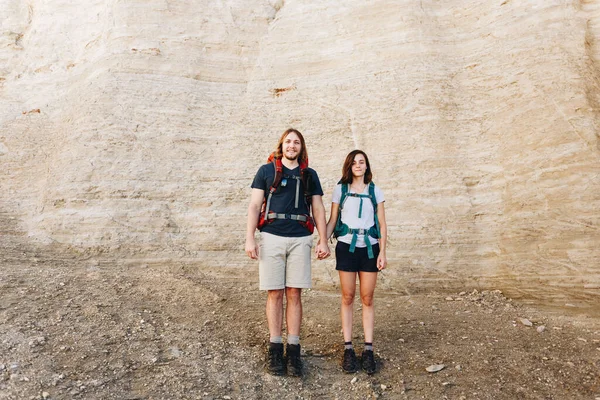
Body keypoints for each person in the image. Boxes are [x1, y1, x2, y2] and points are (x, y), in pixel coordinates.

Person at [245, 128, 330, 376]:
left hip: (301, 238)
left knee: (294, 293)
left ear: (301, 148)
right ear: (281, 146)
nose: (292, 146)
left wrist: (323, 240)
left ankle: (293, 350)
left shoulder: (310, 175)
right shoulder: (266, 171)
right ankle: (275, 348)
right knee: (275, 293)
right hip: (271, 237)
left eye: (296, 143)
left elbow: (318, 208)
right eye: (288, 142)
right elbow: (254, 205)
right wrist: (250, 238)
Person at [326, 149, 387, 374]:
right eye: (354, 163)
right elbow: (333, 219)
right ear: (349, 167)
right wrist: (323, 240)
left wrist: (383, 252)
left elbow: (382, 224)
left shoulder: (375, 191)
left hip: (370, 248)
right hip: (346, 247)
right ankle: (349, 348)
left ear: (367, 166)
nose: (358, 166)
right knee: (348, 296)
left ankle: (368, 349)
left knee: (368, 297)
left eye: (362, 162)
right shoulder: (340, 190)